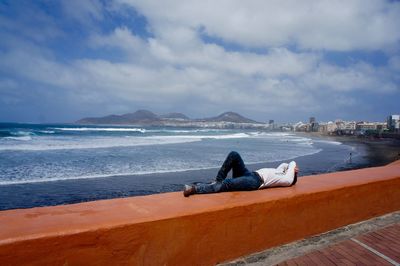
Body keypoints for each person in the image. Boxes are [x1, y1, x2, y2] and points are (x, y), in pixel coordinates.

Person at [183, 151, 298, 197]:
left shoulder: (286, 181)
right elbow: (284, 165)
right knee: (234, 155)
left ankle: (195, 189)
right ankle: (218, 181)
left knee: (227, 184)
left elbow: (292, 163)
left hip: (255, 182)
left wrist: (293, 169)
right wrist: (288, 167)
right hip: (249, 174)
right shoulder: (279, 171)